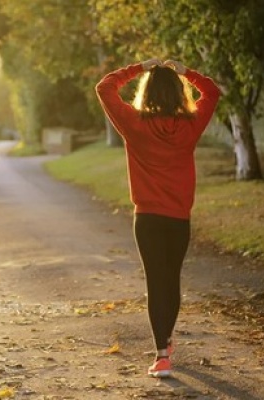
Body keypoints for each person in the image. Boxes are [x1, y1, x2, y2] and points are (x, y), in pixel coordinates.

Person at [95, 58, 222, 378]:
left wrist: (139, 67)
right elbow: (212, 92)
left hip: (147, 219)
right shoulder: (190, 125)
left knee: (156, 282)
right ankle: (165, 341)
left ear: (146, 92)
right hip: (179, 219)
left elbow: (105, 87)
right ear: (178, 93)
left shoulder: (134, 123)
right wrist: (186, 72)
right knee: (171, 280)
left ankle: (162, 354)